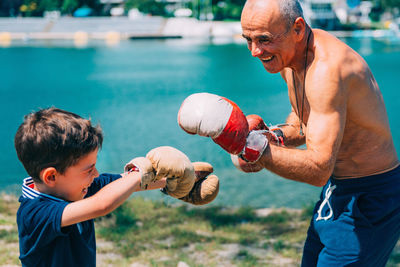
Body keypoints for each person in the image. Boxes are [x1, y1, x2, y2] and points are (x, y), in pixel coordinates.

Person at [239, 0, 400, 265]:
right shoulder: (291, 57)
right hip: (337, 190)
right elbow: (303, 122)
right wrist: (271, 136)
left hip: (371, 197)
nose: (255, 51)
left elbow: (318, 168)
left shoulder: (327, 70)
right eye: (248, 40)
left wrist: (252, 150)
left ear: (298, 29)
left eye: (264, 39)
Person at [14, 107, 218, 267]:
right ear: (51, 176)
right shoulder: (34, 213)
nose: (95, 175)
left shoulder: (74, 188)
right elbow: (103, 204)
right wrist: (141, 172)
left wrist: (176, 182)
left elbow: (125, 183)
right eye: (89, 169)